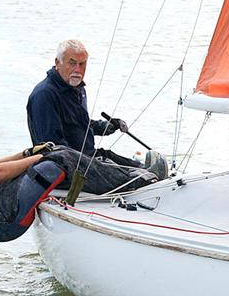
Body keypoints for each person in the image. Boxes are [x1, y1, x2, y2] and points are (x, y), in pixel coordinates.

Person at [26, 39, 167, 194]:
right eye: (72, 63)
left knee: (144, 169)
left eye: (82, 64)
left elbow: (79, 125)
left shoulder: (76, 88)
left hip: (90, 157)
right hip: (68, 168)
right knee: (139, 180)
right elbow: (54, 150)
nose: (78, 70)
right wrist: (96, 166)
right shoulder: (44, 95)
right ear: (57, 63)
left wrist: (107, 126)